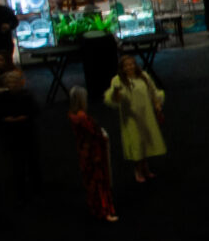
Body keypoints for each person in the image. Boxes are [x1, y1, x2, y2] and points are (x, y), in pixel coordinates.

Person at [104, 55, 167, 184]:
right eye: (126, 65)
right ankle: (138, 170)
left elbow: (153, 92)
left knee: (145, 141)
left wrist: (157, 106)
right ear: (122, 68)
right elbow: (114, 100)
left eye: (131, 64)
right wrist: (116, 92)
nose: (129, 67)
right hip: (130, 118)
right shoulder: (117, 80)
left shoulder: (143, 76)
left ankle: (145, 168)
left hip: (145, 114)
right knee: (136, 142)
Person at [0, 64, 43, 195]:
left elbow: (35, 110)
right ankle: (22, 186)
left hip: (24, 132)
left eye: (15, 82)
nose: (13, 84)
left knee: (29, 160)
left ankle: (32, 185)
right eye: (11, 82)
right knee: (17, 162)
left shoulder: (24, 96)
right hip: (15, 134)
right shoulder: (5, 98)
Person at [68, 87, 116, 222]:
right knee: (99, 181)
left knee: (90, 181)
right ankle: (104, 211)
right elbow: (94, 133)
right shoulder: (82, 117)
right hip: (94, 151)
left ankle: (96, 209)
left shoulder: (71, 115)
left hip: (83, 150)